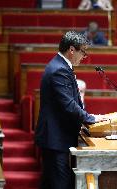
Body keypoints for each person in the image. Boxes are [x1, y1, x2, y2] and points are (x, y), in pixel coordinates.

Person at [34, 31, 107, 189]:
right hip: (55, 138)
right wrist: (91, 118)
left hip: (56, 137)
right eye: (83, 52)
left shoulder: (60, 66)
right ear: (72, 50)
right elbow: (68, 104)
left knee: (51, 182)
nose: (84, 56)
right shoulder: (59, 69)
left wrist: (88, 117)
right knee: (60, 183)